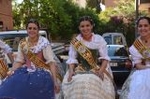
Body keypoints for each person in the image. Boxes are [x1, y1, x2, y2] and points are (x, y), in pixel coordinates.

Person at [0, 19, 61, 99]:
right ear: (27, 29)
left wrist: (55, 81)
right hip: (26, 70)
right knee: (12, 82)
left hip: (42, 71)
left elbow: (51, 62)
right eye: (30, 28)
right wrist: (11, 72)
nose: (32, 30)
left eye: (34, 28)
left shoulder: (44, 42)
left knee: (36, 84)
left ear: (38, 30)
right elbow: (19, 61)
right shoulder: (22, 43)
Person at [62, 16, 115, 99]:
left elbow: (105, 59)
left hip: (96, 69)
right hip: (80, 69)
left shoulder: (99, 39)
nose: (85, 28)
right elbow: (72, 59)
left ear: (92, 26)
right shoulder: (76, 41)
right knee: (77, 82)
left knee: (93, 81)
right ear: (79, 28)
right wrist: (71, 71)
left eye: (87, 25)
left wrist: (101, 71)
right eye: (82, 26)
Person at [120, 16, 150, 99]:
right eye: (140, 26)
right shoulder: (135, 46)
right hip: (144, 70)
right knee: (140, 84)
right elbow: (138, 65)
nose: (143, 28)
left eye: (146, 25)